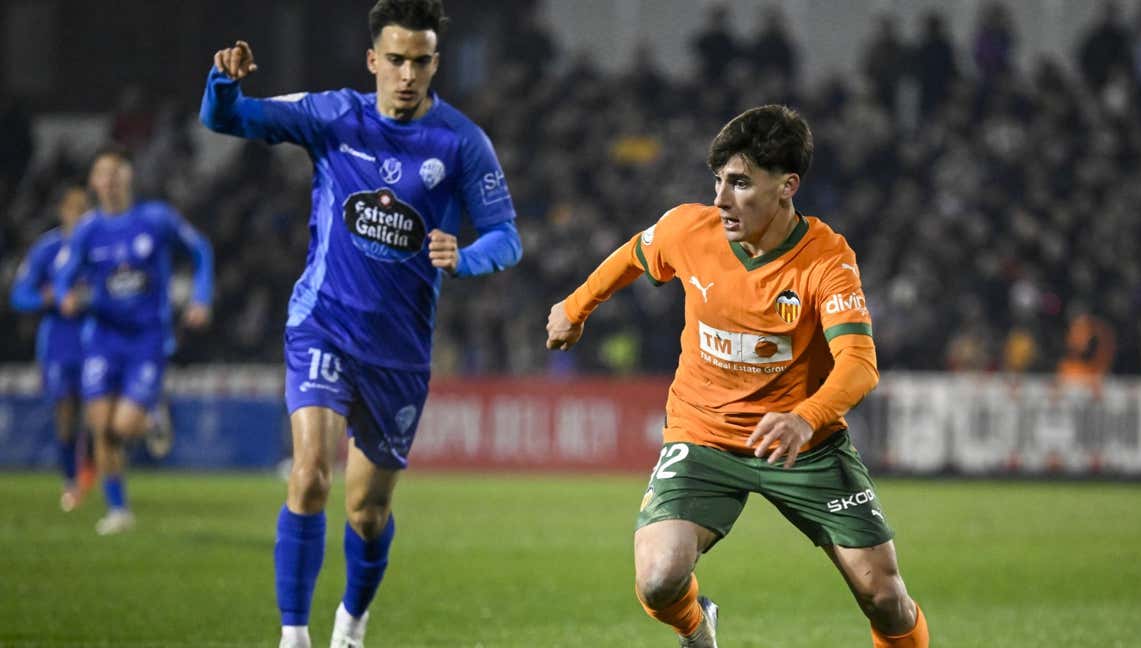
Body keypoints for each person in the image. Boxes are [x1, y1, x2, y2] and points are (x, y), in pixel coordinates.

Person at [199, 1, 522, 646]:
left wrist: (467, 256)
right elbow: (227, 118)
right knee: (311, 472)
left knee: (367, 512)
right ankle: (294, 635)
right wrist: (224, 82)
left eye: (421, 61)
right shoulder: (333, 114)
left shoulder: (461, 142)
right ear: (373, 59)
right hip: (323, 324)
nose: (407, 74)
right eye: (396, 60)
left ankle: (352, 620)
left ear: (436, 62)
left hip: (399, 352)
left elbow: (507, 237)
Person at [546, 105, 929, 648]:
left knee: (886, 600)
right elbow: (636, 252)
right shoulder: (689, 229)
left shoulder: (826, 260)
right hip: (704, 434)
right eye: (719, 181)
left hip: (807, 444)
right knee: (658, 580)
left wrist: (804, 417)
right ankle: (698, 628)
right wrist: (575, 306)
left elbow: (860, 366)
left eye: (741, 183)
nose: (722, 199)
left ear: (786, 186)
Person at [54, 145, 214, 535]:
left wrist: (201, 296)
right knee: (100, 428)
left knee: (123, 427)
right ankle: (119, 509)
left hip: (147, 338)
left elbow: (200, 249)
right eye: (101, 174)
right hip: (102, 338)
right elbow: (64, 276)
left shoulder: (155, 219)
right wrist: (65, 297)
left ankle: (152, 417)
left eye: (115, 172)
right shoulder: (89, 229)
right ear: (94, 183)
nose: (109, 181)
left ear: (128, 176)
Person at [10, 183, 93, 511]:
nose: (81, 214)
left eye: (86, 208)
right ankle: (71, 479)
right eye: (75, 208)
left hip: (97, 337)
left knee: (99, 414)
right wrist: (46, 298)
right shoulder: (48, 248)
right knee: (66, 413)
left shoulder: (99, 244)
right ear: (63, 212)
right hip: (59, 343)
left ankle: (93, 474)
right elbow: (19, 295)